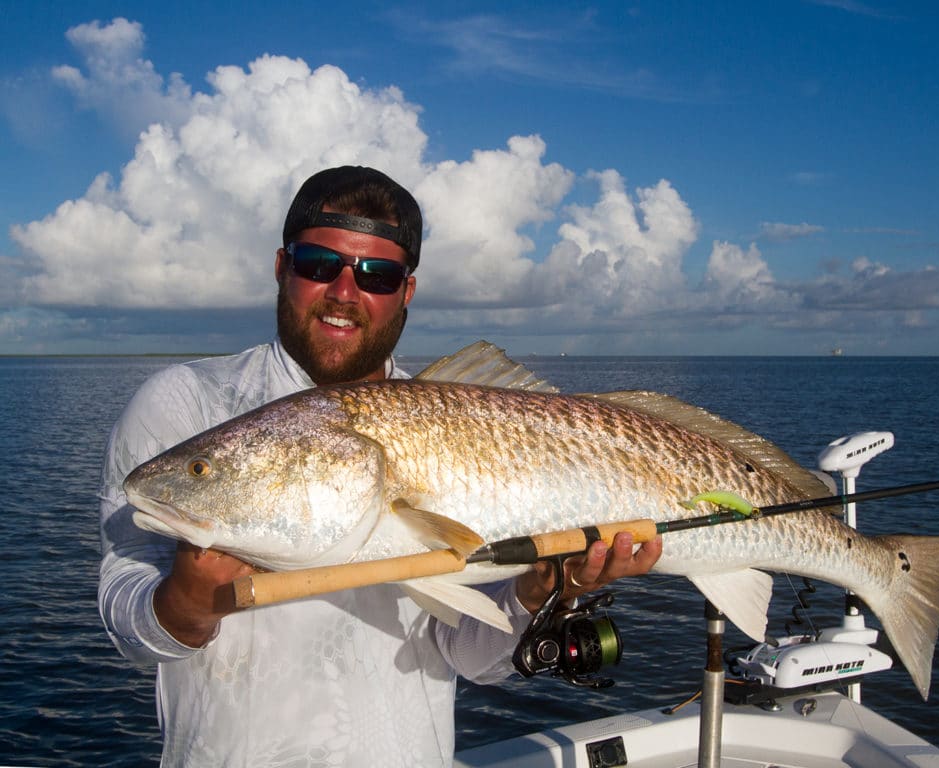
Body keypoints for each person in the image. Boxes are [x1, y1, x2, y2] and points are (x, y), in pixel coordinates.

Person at [98, 165, 662, 767]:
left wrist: (540, 589)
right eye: (319, 263)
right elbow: (125, 613)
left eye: (377, 274)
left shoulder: (461, 419)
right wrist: (184, 605)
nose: (344, 293)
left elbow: (474, 656)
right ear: (282, 267)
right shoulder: (185, 405)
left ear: (406, 292)